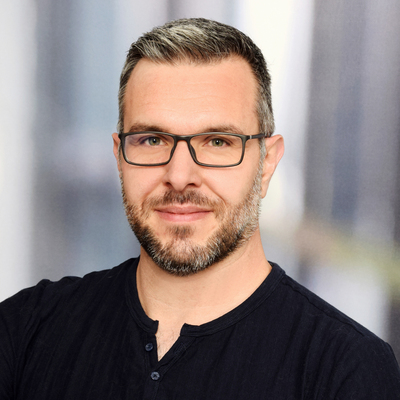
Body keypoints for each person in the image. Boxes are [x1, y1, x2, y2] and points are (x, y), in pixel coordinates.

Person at [0, 18, 399, 400]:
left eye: (217, 142)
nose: (179, 176)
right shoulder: (24, 331)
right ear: (120, 157)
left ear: (267, 164)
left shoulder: (345, 369)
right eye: (152, 140)